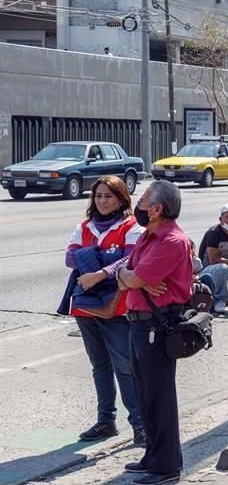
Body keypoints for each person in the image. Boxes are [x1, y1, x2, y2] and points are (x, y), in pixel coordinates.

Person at [117, 180, 193, 485]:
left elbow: (133, 278)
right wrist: (132, 277)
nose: (139, 204)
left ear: (158, 208)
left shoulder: (171, 240)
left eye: (144, 200)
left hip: (157, 324)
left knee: (158, 395)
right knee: (144, 393)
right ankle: (153, 455)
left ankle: (166, 466)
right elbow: (125, 274)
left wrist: (134, 279)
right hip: (139, 323)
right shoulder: (148, 236)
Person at [59, 176, 144, 446]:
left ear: (121, 199)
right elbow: (70, 258)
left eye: (108, 196)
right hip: (86, 306)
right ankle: (106, 420)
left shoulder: (132, 226)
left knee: (125, 367)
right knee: (100, 366)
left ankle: (140, 424)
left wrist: (99, 272)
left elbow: (131, 259)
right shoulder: (84, 226)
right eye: (98, 196)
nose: (102, 201)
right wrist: (109, 259)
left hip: (116, 308)